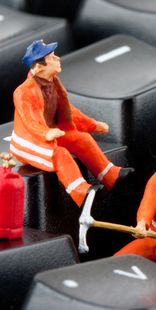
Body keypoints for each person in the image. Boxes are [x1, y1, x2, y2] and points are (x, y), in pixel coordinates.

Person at [10, 40, 133, 207]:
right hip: (28, 142)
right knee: (61, 154)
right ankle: (82, 193)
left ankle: (111, 177)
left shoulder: (54, 84)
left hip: (53, 132)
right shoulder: (22, 92)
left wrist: (92, 125)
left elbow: (69, 111)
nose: (58, 58)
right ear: (39, 68)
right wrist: (45, 133)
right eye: (52, 58)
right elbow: (29, 120)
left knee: (83, 139)